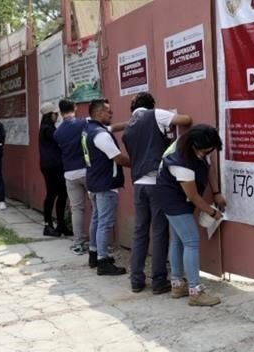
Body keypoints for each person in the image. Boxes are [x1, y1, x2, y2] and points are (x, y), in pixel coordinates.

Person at [121, 92, 193, 294]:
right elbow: (186, 120)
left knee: (139, 232)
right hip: (156, 182)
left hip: (138, 184)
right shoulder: (155, 114)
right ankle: (159, 281)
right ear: (151, 104)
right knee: (160, 231)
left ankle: (136, 280)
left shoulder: (129, 128)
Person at [151, 124, 226, 307]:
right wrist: (212, 212)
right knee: (191, 242)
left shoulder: (193, 143)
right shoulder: (180, 162)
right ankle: (195, 291)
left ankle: (177, 284)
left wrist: (216, 192)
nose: (209, 153)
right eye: (207, 150)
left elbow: (209, 166)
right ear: (195, 147)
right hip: (172, 200)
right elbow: (193, 196)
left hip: (178, 197)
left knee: (177, 240)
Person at [82, 99, 129, 276]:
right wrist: (138, 165)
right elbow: (118, 158)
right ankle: (103, 261)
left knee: (96, 219)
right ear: (98, 112)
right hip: (105, 184)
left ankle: (94, 253)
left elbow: (110, 128)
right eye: (108, 112)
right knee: (105, 223)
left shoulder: (89, 130)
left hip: (94, 181)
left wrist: (128, 123)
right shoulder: (100, 135)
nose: (111, 114)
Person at [53, 99, 89, 252]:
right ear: (75, 107)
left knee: (76, 209)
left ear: (60, 113)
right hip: (87, 169)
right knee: (97, 206)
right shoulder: (84, 123)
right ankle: (98, 243)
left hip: (69, 172)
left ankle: (78, 242)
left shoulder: (57, 132)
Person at [38, 102, 69, 237]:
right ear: (50, 115)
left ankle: (61, 224)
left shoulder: (48, 127)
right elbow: (61, 140)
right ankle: (47, 225)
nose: (57, 116)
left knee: (62, 194)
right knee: (52, 194)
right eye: (56, 114)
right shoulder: (47, 128)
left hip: (55, 165)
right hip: (52, 166)